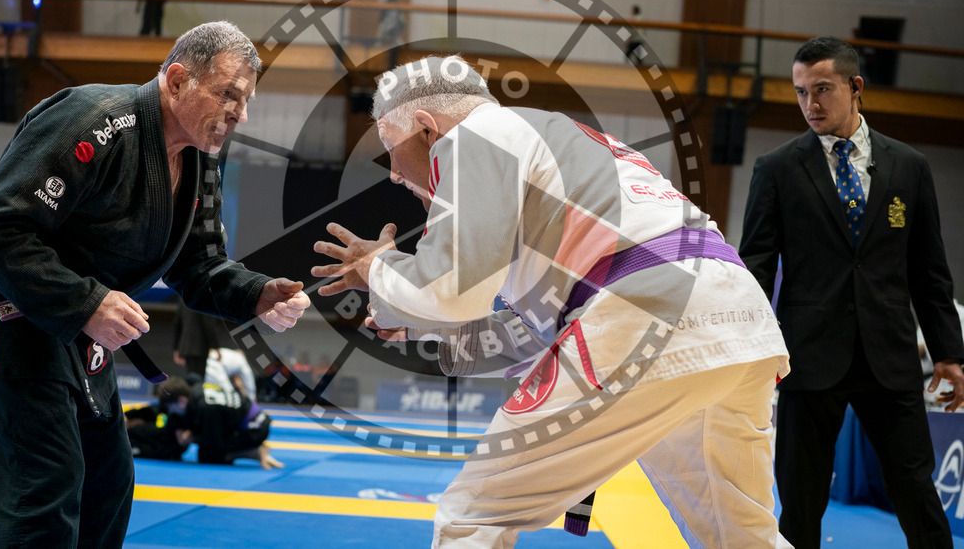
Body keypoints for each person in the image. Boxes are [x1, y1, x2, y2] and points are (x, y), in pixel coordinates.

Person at [311, 55, 792, 547]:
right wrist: (420, 322)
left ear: (427, 128)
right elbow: (548, 325)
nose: (394, 174)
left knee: (475, 515)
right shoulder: (570, 145)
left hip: (644, 314)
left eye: (390, 147)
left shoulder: (474, 136)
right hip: (740, 320)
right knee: (742, 537)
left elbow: (451, 290)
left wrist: (377, 269)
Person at [0, 20, 311, 548]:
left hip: (76, 329)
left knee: (107, 483)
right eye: (228, 94)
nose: (240, 113)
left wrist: (255, 293)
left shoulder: (200, 158)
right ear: (177, 80)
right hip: (7, 315)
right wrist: (87, 303)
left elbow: (199, 264)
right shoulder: (92, 120)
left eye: (246, 100)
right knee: (40, 490)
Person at [739, 36, 964, 548]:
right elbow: (755, 267)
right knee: (800, 500)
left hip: (889, 356)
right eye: (800, 92)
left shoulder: (909, 166)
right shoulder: (776, 169)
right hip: (808, 357)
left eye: (822, 89)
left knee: (916, 490)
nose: (810, 104)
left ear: (855, 86)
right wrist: (751, 349)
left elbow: (929, 271)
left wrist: (949, 353)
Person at [128, 376, 281, 469]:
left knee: (208, 456)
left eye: (172, 408)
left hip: (255, 428)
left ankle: (254, 452)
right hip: (245, 419)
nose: (171, 412)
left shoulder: (206, 409)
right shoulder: (195, 390)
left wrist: (192, 437)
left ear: (181, 401)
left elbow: (214, 442)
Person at [172, 298, 223, 380]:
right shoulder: (205, 300)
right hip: (200, 347)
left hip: (186, 347)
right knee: (198, 380)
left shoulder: (184, 299)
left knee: (191, 379)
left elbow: (177, 325)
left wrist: (176, 349)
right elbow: (209, 326)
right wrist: (216, 347)